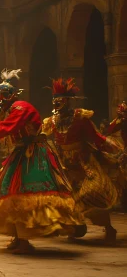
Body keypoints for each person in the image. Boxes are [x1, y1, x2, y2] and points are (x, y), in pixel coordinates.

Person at [0, 69, 84, 254]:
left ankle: (25, 240)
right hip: (20, 153)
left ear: (9, 95)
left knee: (26, 195)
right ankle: (18, 237)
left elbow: (5, 128)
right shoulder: (10, 110)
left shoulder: (21, 107)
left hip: (33, 155)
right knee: (11, 194)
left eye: (0, 96)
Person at [42, 78, 121, 244]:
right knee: (67, 198)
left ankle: (108, 228)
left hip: (84, 161)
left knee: (93, 193)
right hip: (65, 164)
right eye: (54, 101)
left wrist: (110, 146)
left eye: (60, 100)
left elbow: (96, 137)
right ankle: (75, 226)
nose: (57, 104)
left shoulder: (80, 118)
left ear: (68, 101)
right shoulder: (51, 121)